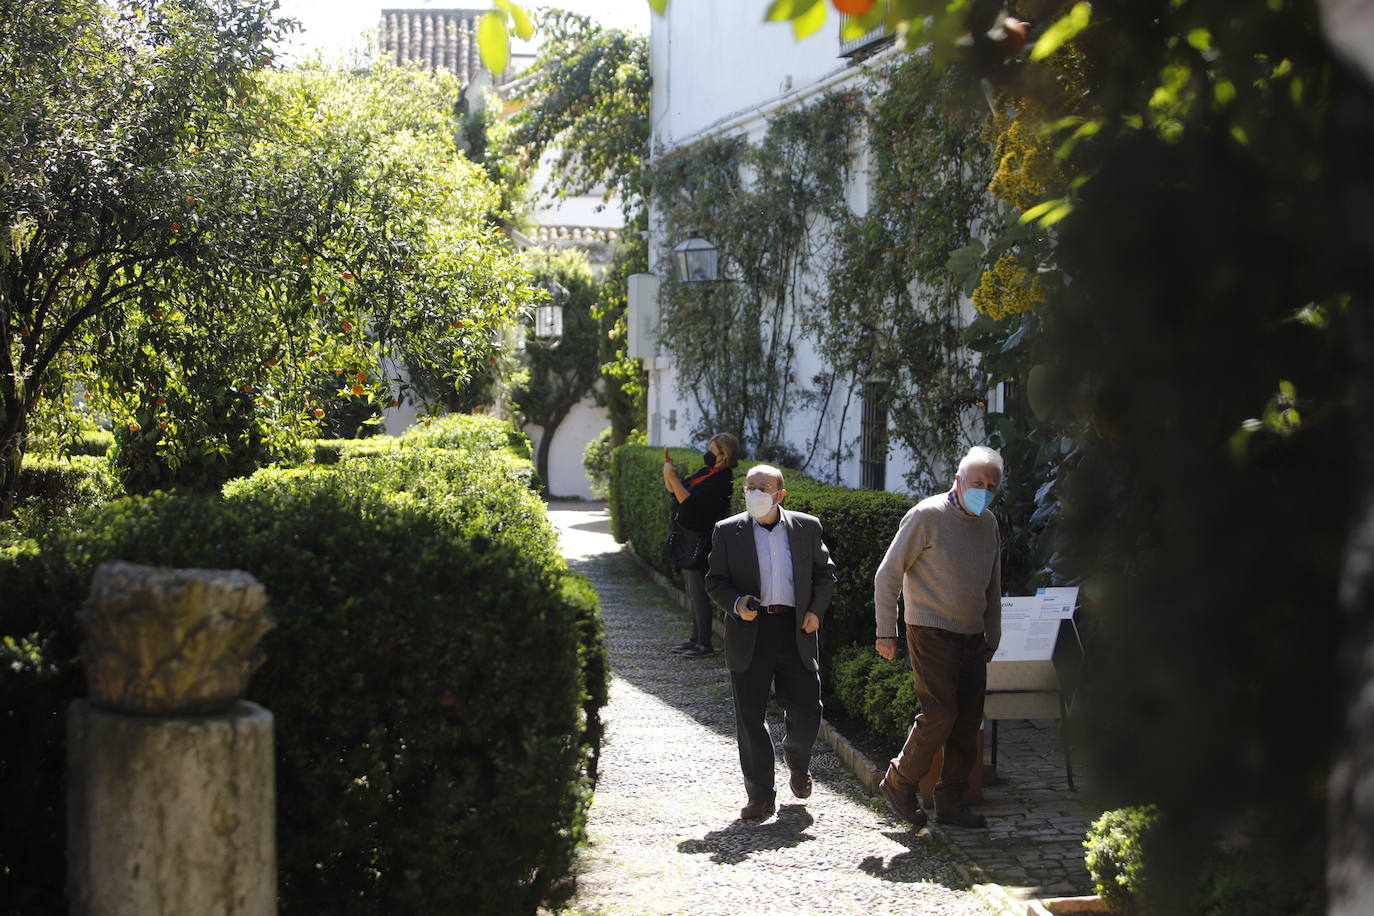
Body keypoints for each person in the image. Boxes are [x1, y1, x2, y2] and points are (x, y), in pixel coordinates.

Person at [872, 445, 1004, 830]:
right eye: (977, 481)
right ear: (958, 480)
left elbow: (993, 585)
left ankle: (951, 802)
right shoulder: (926, 516)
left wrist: (992, 635)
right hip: (930, 629)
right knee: (940, 713)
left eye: (991, 485)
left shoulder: (989, 523)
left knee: (967, 721)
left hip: (972, 634)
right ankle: (899, 780)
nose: (984, 489)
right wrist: (886, 631)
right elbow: (888, 575)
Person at [705, 464, 837, 821]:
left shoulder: (806, 527)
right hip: (751, 632)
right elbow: (715, 581)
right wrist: (736, 604)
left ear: (780, 495)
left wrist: (815, 611)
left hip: (796, 630)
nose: (755, 493)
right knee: (750, 718)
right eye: (750, 487)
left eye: (763, 487)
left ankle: (796, 760)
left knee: (809, 710)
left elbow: (825, 574)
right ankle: (760, 795)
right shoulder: (727, 531)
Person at [663, 433, 740, 657]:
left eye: (712, 450)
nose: (707, 453)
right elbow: (676, 492)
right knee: (691, 589)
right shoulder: (707, 473)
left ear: (724, 455)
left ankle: (703, 643)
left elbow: (690, 502)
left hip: (702, 540)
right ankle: (695, 638)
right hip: (688, 537)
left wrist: (673, 478)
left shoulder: (722, 479)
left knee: (699, 592)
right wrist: (668, 474)